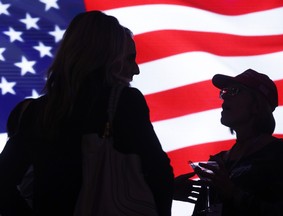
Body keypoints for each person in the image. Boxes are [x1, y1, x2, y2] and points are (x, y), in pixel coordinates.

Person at [0, 11, 174, 216]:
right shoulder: (126, 102)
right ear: (108, 59)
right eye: (129, 58)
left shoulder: (35, 112)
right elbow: (159, 174)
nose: (135, 70)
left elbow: (3, 184)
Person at [174, 69, 283, 216]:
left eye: (234, 91)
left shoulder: (280, 155)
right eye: (223, 92)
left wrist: (233, 193)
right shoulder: (218, 161)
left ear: (257, 105)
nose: (224, 97)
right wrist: (167, 194)